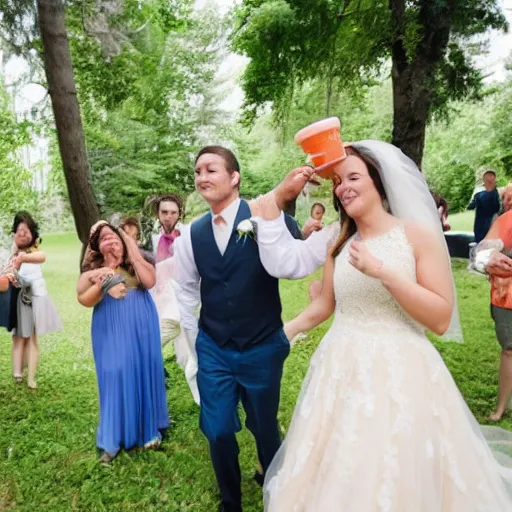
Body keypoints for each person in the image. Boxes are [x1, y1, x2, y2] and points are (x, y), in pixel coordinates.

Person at [248, 141, 512, 510]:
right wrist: (284, 333)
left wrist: (384, 272)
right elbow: (324, 305)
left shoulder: (416, 235)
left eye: (353, 177)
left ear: (380, 183)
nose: (343, 187)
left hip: (401, 374)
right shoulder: (338, 242)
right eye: (338, 181)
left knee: (394, 470)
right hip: (338, 371)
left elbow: (439, 318)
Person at [174, 145, 312, 512]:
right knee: (217, 429)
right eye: (198, 171)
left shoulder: (265, 213)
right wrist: (195, 344)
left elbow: (296, 255)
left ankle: (275, 486)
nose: (202, 177)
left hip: (262, 344)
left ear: (234, 178)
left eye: (211, 170)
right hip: (215, 346)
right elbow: (186, 288)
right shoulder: (192, 234)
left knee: (264, 425)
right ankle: (229, 502)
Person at [77, 223, 169, 463]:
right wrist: (102, 283)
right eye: (103, 238)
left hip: (141, 324)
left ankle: (149, 430)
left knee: (143, 371)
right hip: (108, 326)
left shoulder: (134, 261)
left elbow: (150, 281)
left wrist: (131, 246)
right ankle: (111, 438)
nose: (110, 240)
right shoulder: (94, 269)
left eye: (114, 236)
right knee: (114, 373)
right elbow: (83, 298)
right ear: (96, 246)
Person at [147, 194, 200, 404]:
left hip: (186, 300)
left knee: (192, 355)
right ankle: (152, 387)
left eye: (173, 212)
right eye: (164, 212)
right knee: (151, 345)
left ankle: (202, 400)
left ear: (180, 213)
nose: (168, 217)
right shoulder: (151, 239)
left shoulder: (188, 235)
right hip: (161, 301)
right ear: (158, 214)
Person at [8, 212, 62, 389]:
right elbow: (10, 271)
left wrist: (22, 257)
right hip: (18, 299)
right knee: (18, 337)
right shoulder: (13, 251)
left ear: (33, 233)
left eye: (26, 230)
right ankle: (18, 372)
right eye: (19, 231)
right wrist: (15, 254)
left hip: (36, 297)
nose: (23, 234)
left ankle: (30, 376)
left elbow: (41, 257)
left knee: (31, 337)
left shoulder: (36, 251)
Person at [475, 185, 512, 421]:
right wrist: (488, 259)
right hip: (506, 297)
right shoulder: (505, 221)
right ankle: (501, 407)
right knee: (509, 350)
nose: (509, 201)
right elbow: (479, 254)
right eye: (506, 198)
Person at [468, 169, 501, 243]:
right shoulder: (497, 195)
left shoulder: (479, 195)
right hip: (493, 230)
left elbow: (470, 206)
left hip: (482, 230)